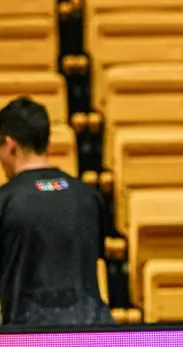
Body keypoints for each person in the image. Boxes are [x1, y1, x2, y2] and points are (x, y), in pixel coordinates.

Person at [0, 97, 113, 327]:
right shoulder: (89, 196)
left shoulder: (5, 201)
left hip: (30, 339)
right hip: (92, 335)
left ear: (10, 145)